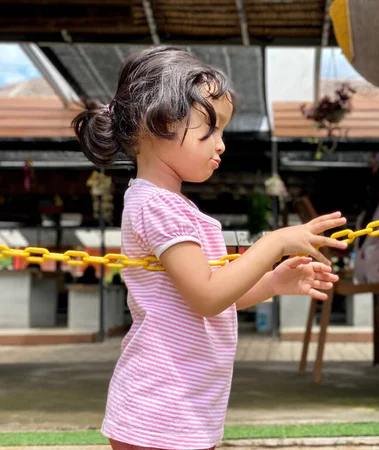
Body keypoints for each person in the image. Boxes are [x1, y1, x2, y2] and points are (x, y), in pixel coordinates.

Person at [72, 46, 347, 450]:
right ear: (160, 123)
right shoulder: (158, 206)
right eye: (209, 131)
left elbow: (210, 296)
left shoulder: (167, 205)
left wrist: (272, 282)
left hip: (182, 404)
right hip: (161, 407)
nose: (220, 146)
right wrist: (273, 243)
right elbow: (206, 297)